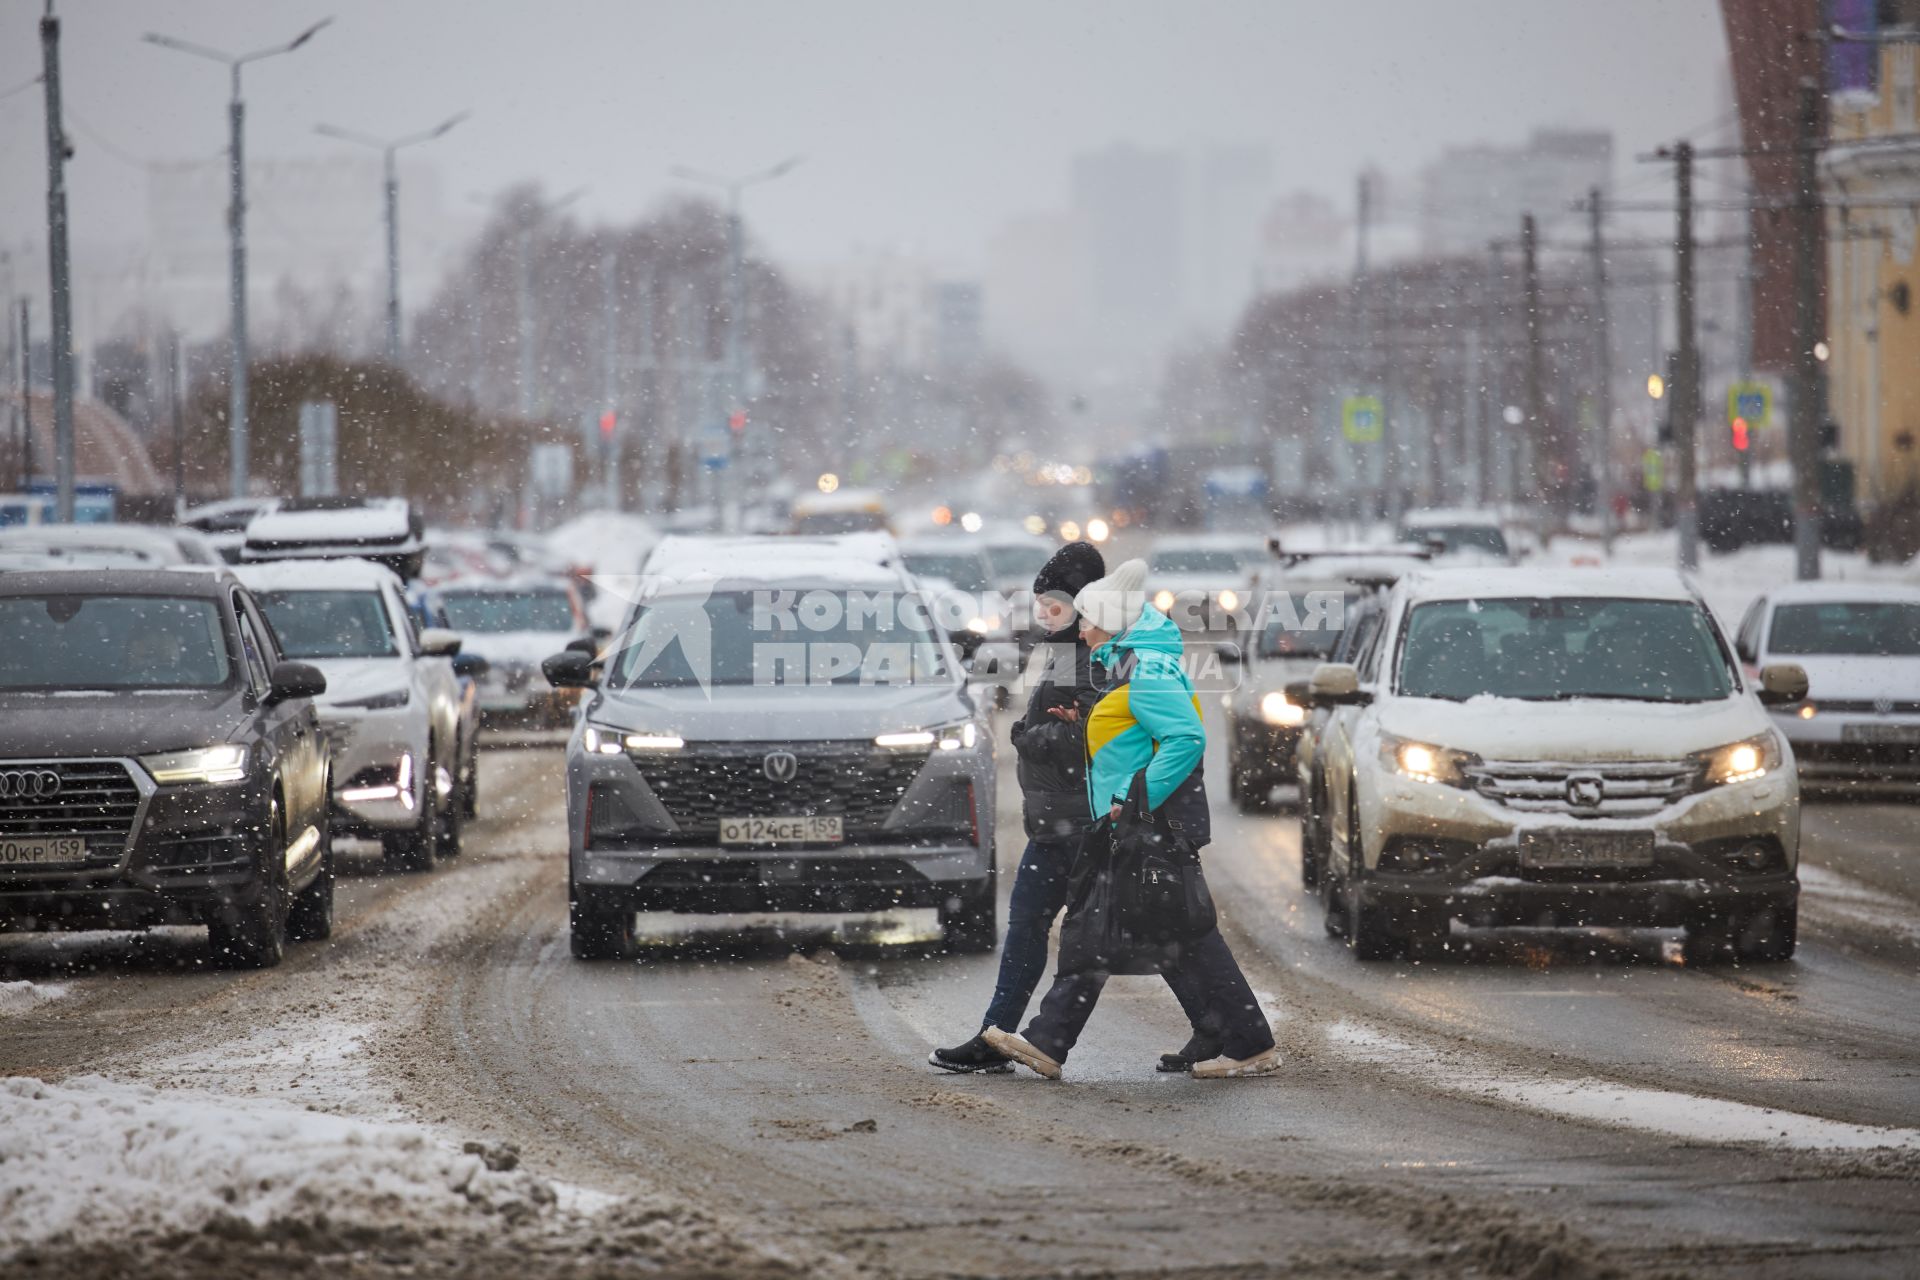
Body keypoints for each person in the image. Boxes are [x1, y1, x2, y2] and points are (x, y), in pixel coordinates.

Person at [984, 559, 1280, 1081]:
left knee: (1142, 931)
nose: (1080, 628)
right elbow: (1137, 731)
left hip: (1149, 824)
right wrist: (1089, 722)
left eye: (1089, 620)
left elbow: (1187, 738)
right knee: (1121, 930)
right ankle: (1049, 1043)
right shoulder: (1126, 664)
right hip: (1129, 824)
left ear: (1112, 622)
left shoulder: (1147, 667)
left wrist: (1135, 796)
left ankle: (1250, 1043)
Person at [929, 541, 1110, 1073]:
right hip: (1055, 818)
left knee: (1137, 937)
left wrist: (1029, 736)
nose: (1041, 612)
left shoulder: (1096, 655)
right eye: (1040, 603)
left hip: (1083, 821)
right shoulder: (1064, 648)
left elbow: (1092, 734)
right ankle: (995, 1036)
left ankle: (1229, 1028)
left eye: (1051, 603)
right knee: (1033, 926)